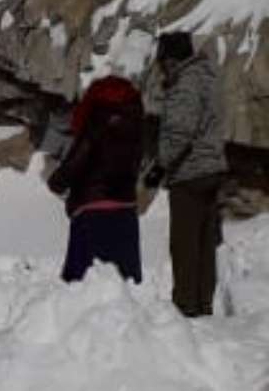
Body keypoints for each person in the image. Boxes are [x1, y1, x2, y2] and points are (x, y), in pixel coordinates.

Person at [144, 31, 228, 317]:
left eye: (161, 61)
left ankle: (186, 307)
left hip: (190, 173)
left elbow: (180, 130)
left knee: (184, 243)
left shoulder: (186, 84)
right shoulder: (208, 78)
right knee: (206, 243)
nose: (159, 67)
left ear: (170, 59)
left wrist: (159, 166)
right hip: (213, 168)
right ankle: (203, 303)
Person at [48, 76, 145, 284]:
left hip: (92, 211)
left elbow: (77, 160)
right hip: (126, 210)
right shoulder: (136, 125)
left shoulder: (96, 120)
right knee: (126, 287)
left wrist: (56, 182)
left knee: (80, 285)